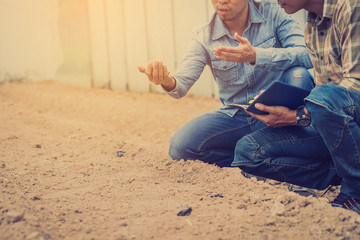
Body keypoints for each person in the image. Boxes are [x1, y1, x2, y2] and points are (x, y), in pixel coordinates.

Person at [138, 0, 314, 168]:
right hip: (237, 117)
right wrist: (166, 81)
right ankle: (258, 157)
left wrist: (256, 56)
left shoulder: (274, 13)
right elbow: (180, 85)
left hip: (280, 110)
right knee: (181, 146)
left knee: (299, 75)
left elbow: (307, 55)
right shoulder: (203, 36)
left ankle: (284, 150)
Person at [233, 0, 360, 214]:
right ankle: (346, 167)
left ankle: (354, 190)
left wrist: (297, 116)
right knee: (248, 151)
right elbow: (324, 99)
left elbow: (356, 83)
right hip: (337, 126)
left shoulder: (350, 6)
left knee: (322, 96)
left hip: (354, 114)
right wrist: (281, 103)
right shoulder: (310, 29)